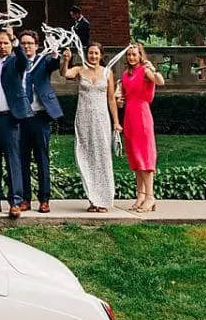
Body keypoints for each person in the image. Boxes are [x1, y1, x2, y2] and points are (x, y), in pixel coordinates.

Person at [0, 28, 31, 219]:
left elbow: (24, 62)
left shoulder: (15, 62)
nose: (2, 46)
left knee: (12, 160)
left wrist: (17, 43)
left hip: (9, 118)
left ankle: (15, 201)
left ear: (11, 44)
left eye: (6, 43)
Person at [64, 43, 122, 213]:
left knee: (102, 156)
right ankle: (92, 199)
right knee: (85, 156)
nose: (93, 56)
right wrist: (65, 61)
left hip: (101, 118)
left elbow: (111, 99)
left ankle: (104, 199)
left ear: (101, 55)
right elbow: (65, 74)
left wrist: (116, 122)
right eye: (90, 53)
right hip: (83, 118)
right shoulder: (79, 70)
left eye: (96, 53)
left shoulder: (107, 72)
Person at [17, 30, 66, 212]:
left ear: (36, 46)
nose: (26, 46)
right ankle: (25, 199)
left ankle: (44, 199)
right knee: (22, 160)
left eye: (30, 43)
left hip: (40, 116)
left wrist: (55, 52)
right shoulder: (17, 64)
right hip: (21, 117)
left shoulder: (43, 61)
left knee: (41, 158)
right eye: (23, 43)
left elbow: (54, 63)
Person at [117, 42, 164, 213]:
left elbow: (160, 81)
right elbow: (123, 96)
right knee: (135, 158)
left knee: (145, 156)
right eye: (129, 55)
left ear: (140, 56)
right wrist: (119, 100)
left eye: (134, 55)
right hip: (129, 115)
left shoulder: (145, 71)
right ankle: (140, 195)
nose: (131, 57)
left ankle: (150, 197)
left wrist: (153, 69)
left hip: (142, 115)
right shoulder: (125, 74)